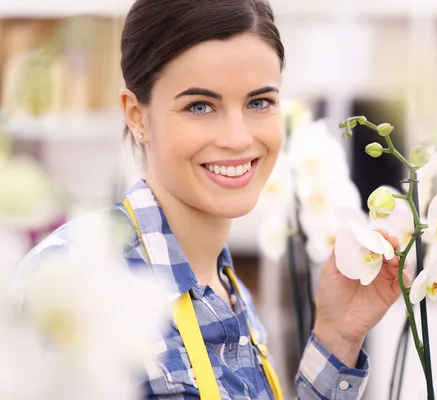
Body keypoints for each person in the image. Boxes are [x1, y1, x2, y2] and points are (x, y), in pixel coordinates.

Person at [15, 0, 408, 398]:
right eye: (199, 106)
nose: (238, 138)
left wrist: (337, 336)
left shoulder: (229, 294)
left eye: (259, 102)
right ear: (136, 116)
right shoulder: (75, 274)